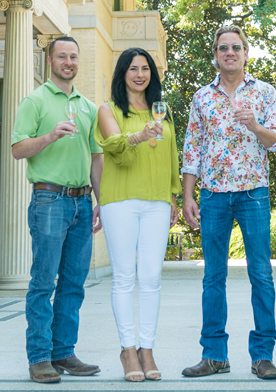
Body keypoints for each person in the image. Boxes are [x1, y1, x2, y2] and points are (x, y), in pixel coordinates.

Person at [181, 25, 276, 380]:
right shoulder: (201, 98)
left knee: (261, 275)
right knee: (213, 277)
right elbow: (192, 149)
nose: (229, 53)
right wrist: (187, 196)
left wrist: (256, 127)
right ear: (215, 54)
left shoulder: (265, 92)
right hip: (212, 196)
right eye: (223, 48)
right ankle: (214, 356)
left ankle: (263, 356)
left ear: (246, 53)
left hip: (253, 193)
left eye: (236, 47)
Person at [12, 37, 103, 383]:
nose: (68, 61)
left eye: (73, 56)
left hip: (82, 203)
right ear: (49, 60)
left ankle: (63, 352)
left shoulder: (88, 107)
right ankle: (39, 358)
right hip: (49, 200)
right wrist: (50, 136)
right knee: (42, 282)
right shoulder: (34, 101)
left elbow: (96, 157)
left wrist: (100, 203)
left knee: (74, 283)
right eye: (62, 56)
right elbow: (18, 150)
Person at [95, 47, 181, 382]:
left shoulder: (164, 110)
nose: (140, 74)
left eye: (145, 68)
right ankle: (127, 350)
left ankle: (147, 349)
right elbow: (114, 146)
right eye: (133, 68)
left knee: (151, 277)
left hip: (157, 200)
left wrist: (173, 195)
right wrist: (139, 135)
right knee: (123, 277)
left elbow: (171, 153)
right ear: (122, 73)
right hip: (120, 200)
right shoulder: (109, 108)